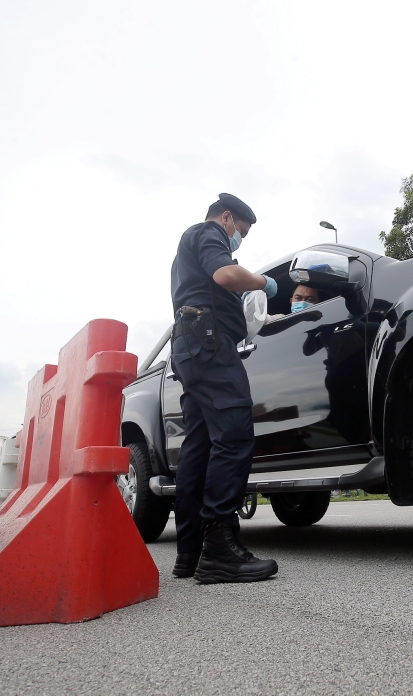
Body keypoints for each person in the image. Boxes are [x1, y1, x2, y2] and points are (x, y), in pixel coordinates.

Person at [170, 193, 279, 584]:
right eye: (241, 233)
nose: (239, 241)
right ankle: (219, 550)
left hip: (191, 347)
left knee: (199, 447)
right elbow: (226, 276)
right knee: (233, 434)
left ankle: (191, 552)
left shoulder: (189, 248)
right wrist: (265, 282)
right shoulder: (208, 232)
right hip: (209, 345)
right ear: (228, 218)